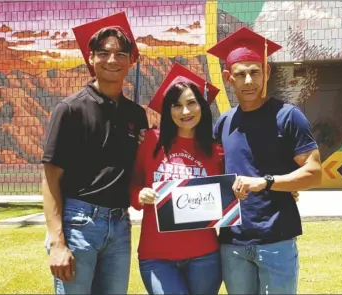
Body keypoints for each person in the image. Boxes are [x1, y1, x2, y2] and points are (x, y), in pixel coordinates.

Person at [207, 27, 323, 294]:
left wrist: (268, 182)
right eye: (240, 74)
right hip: (233, 244)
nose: (249, 80)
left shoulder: (288, 117)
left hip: (276, 241)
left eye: (255, 72)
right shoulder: (224, 122)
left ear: (267, 73)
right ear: (228, 78)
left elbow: (314, 172)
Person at [41, 12, 149, 295]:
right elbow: (50, 177)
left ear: (131, 61)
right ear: (91, 58)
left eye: (120, 54)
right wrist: (57, 241)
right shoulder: (71, 109)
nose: (112, 60)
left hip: (120, 225)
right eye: (103, 53)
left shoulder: (135, 115)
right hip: (79, 224)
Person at [130, 62, 223, 295]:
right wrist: (139, 194)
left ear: (202, 106)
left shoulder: (216, 151)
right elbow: (131, 185)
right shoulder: (150, 141)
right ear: (167, 110)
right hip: (157, 256)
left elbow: (231, 189)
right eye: (176, 105)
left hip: (204, 255)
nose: (185, 112)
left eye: (191, 103)